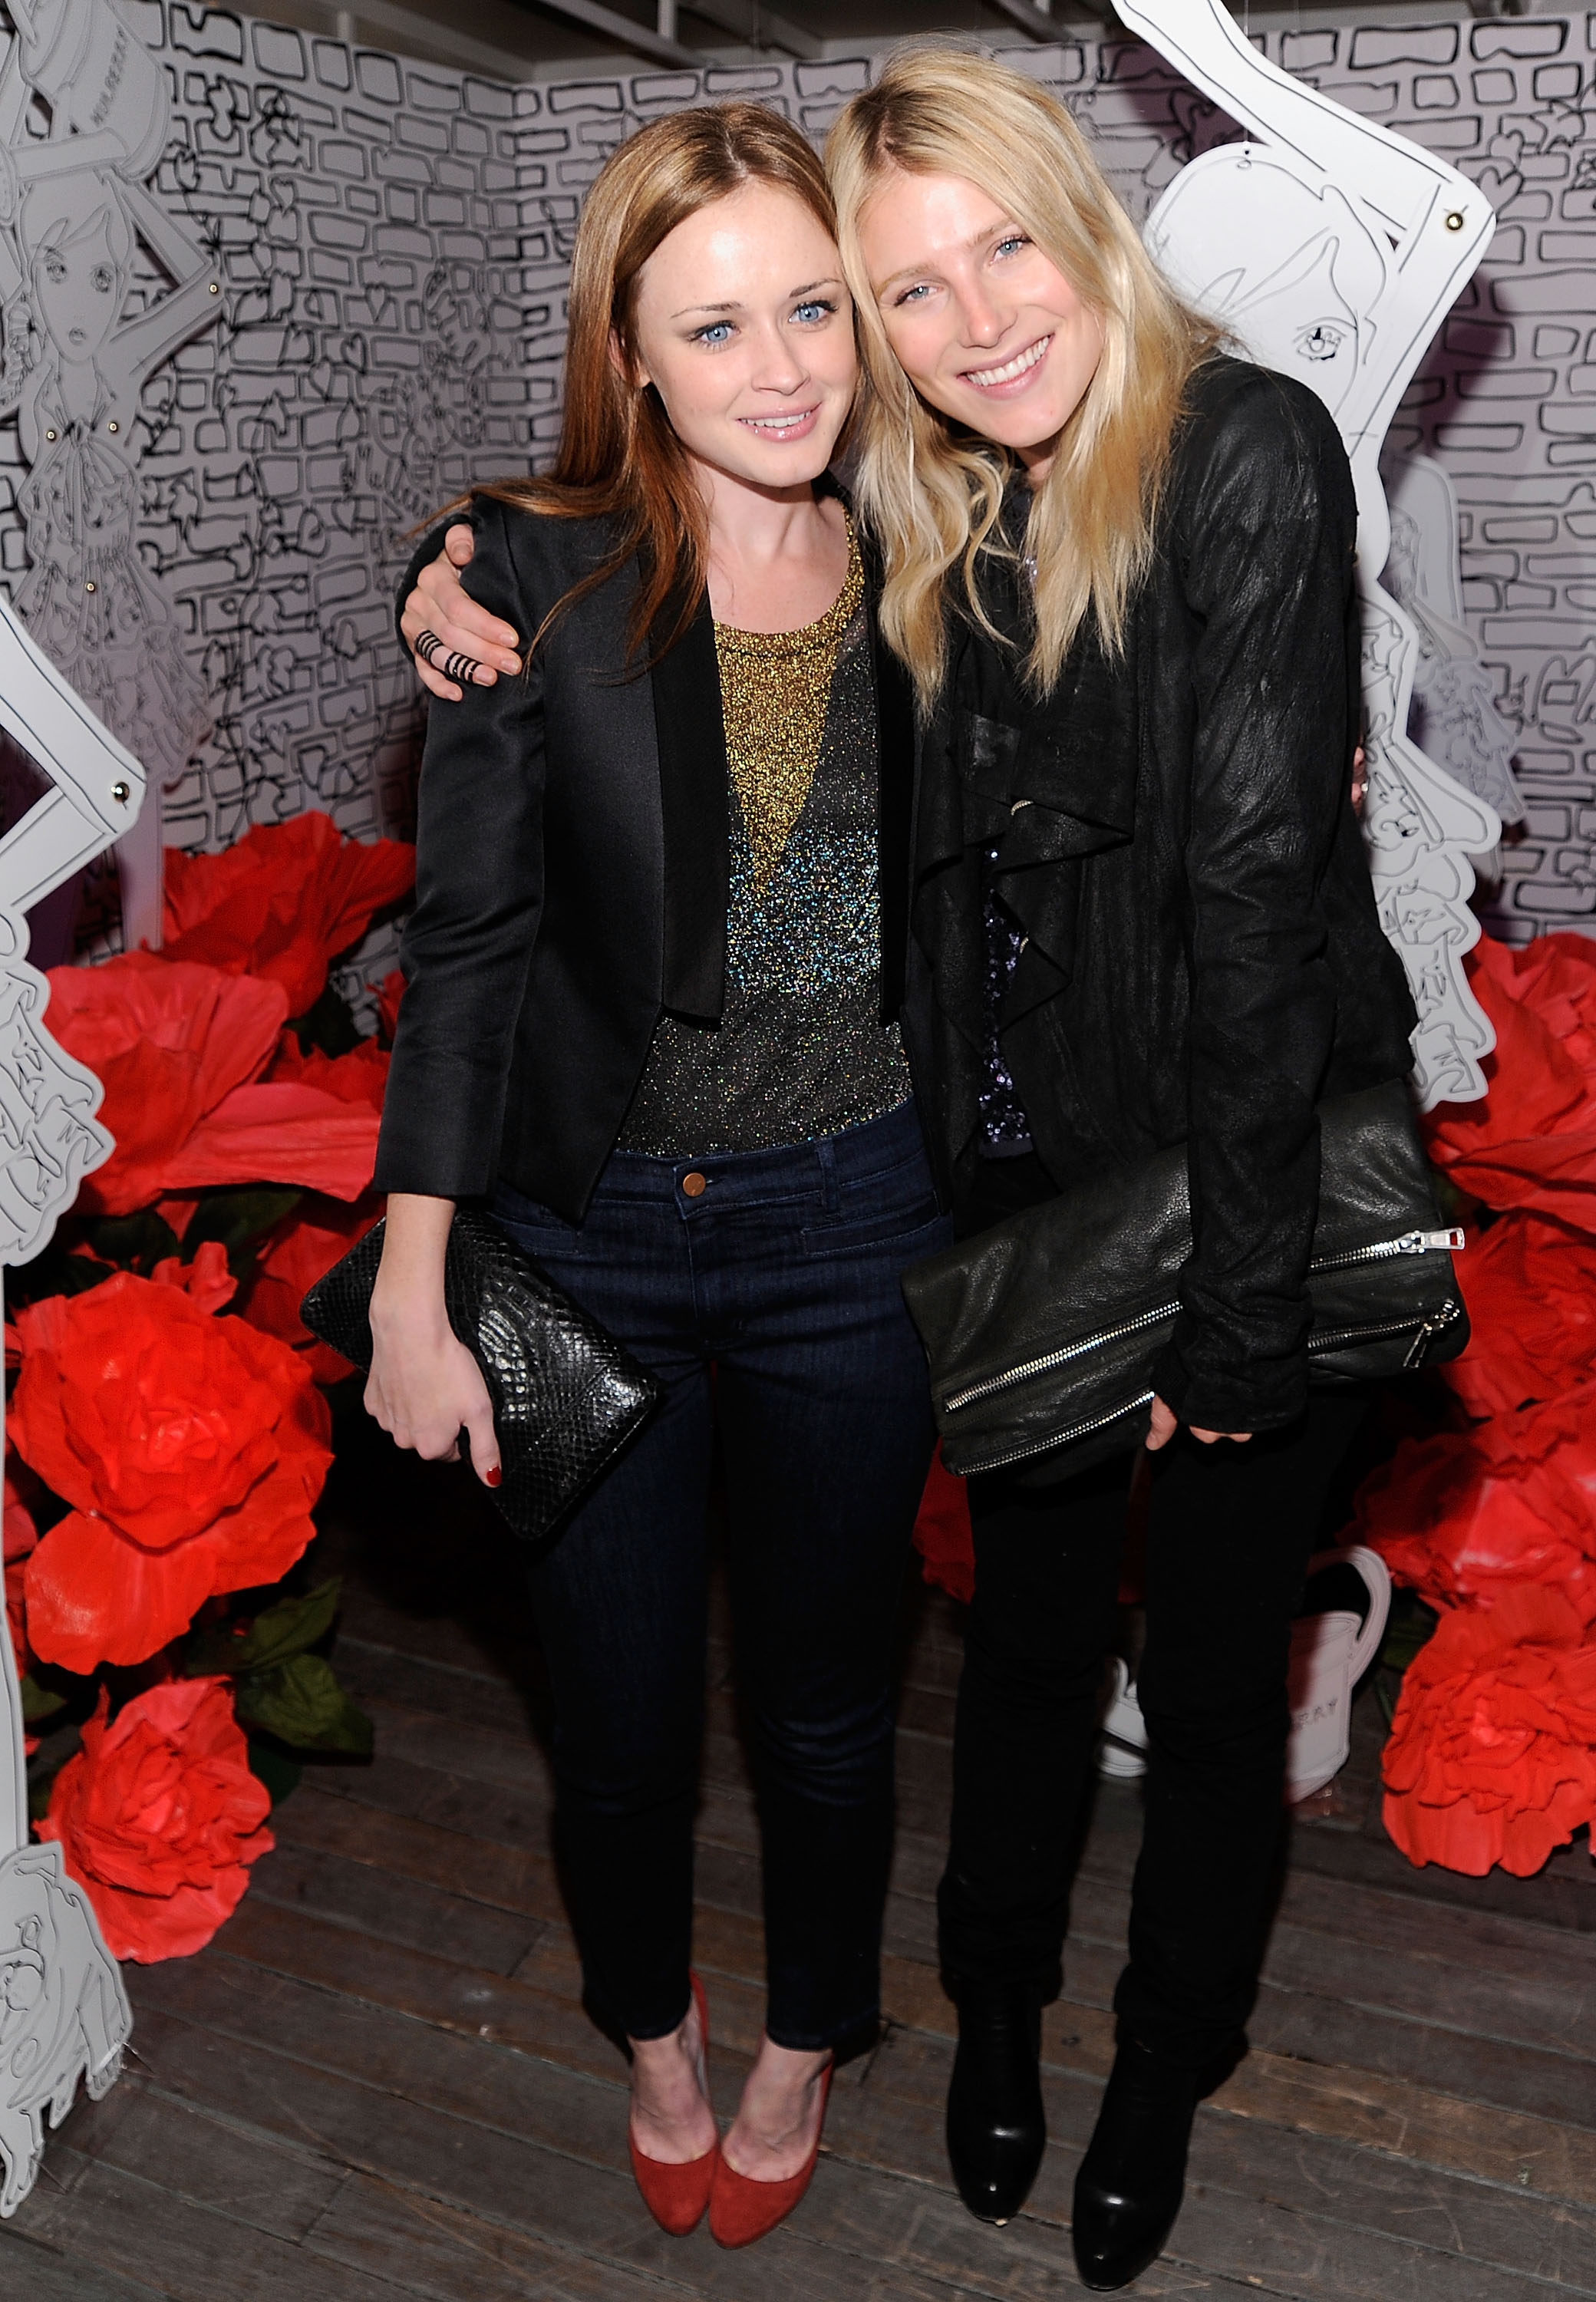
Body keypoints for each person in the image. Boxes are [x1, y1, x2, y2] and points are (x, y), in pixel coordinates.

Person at [398, 48, 1418, 2294]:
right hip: (819, 1219)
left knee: (1079, 1699)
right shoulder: (812, 529)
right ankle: (887, 2030)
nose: (948, 328)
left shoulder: (1094, 488)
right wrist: (446, 574)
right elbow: (537, 742)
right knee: (886, 1684)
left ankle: (1040, 2062)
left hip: (1061, 1206)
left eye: (987, 257)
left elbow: (1242, 889)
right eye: (895, 295)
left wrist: (1242, 1309)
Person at [368, 101, 948, 2252]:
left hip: (859, 1227)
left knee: (827, 1712)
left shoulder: (942, 567)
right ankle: (656, 2036)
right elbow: (468, 952)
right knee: (613, 1725)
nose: (781, 368)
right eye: (714, 327)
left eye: (814, 308)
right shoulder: (531, 580)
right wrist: (413, 1287)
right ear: (630, 351)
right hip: (585, 1236)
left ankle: (806, 2040)